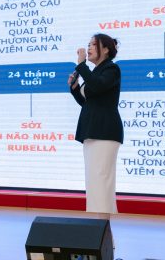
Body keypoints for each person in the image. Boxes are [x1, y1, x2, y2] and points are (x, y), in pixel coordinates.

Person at [69, 34, 124, 216]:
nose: (89, 48)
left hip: (105, 131)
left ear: (106, 49)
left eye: (94, 44)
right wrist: (75, 89)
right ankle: (99, 225)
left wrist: (81, 66)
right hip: (92, 131)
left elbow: (98, 86)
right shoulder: (95, 73)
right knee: (94, 180)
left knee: (101, 178)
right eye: (88, 44)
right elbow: (89, 103)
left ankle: (102, 226)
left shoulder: (111, 69)